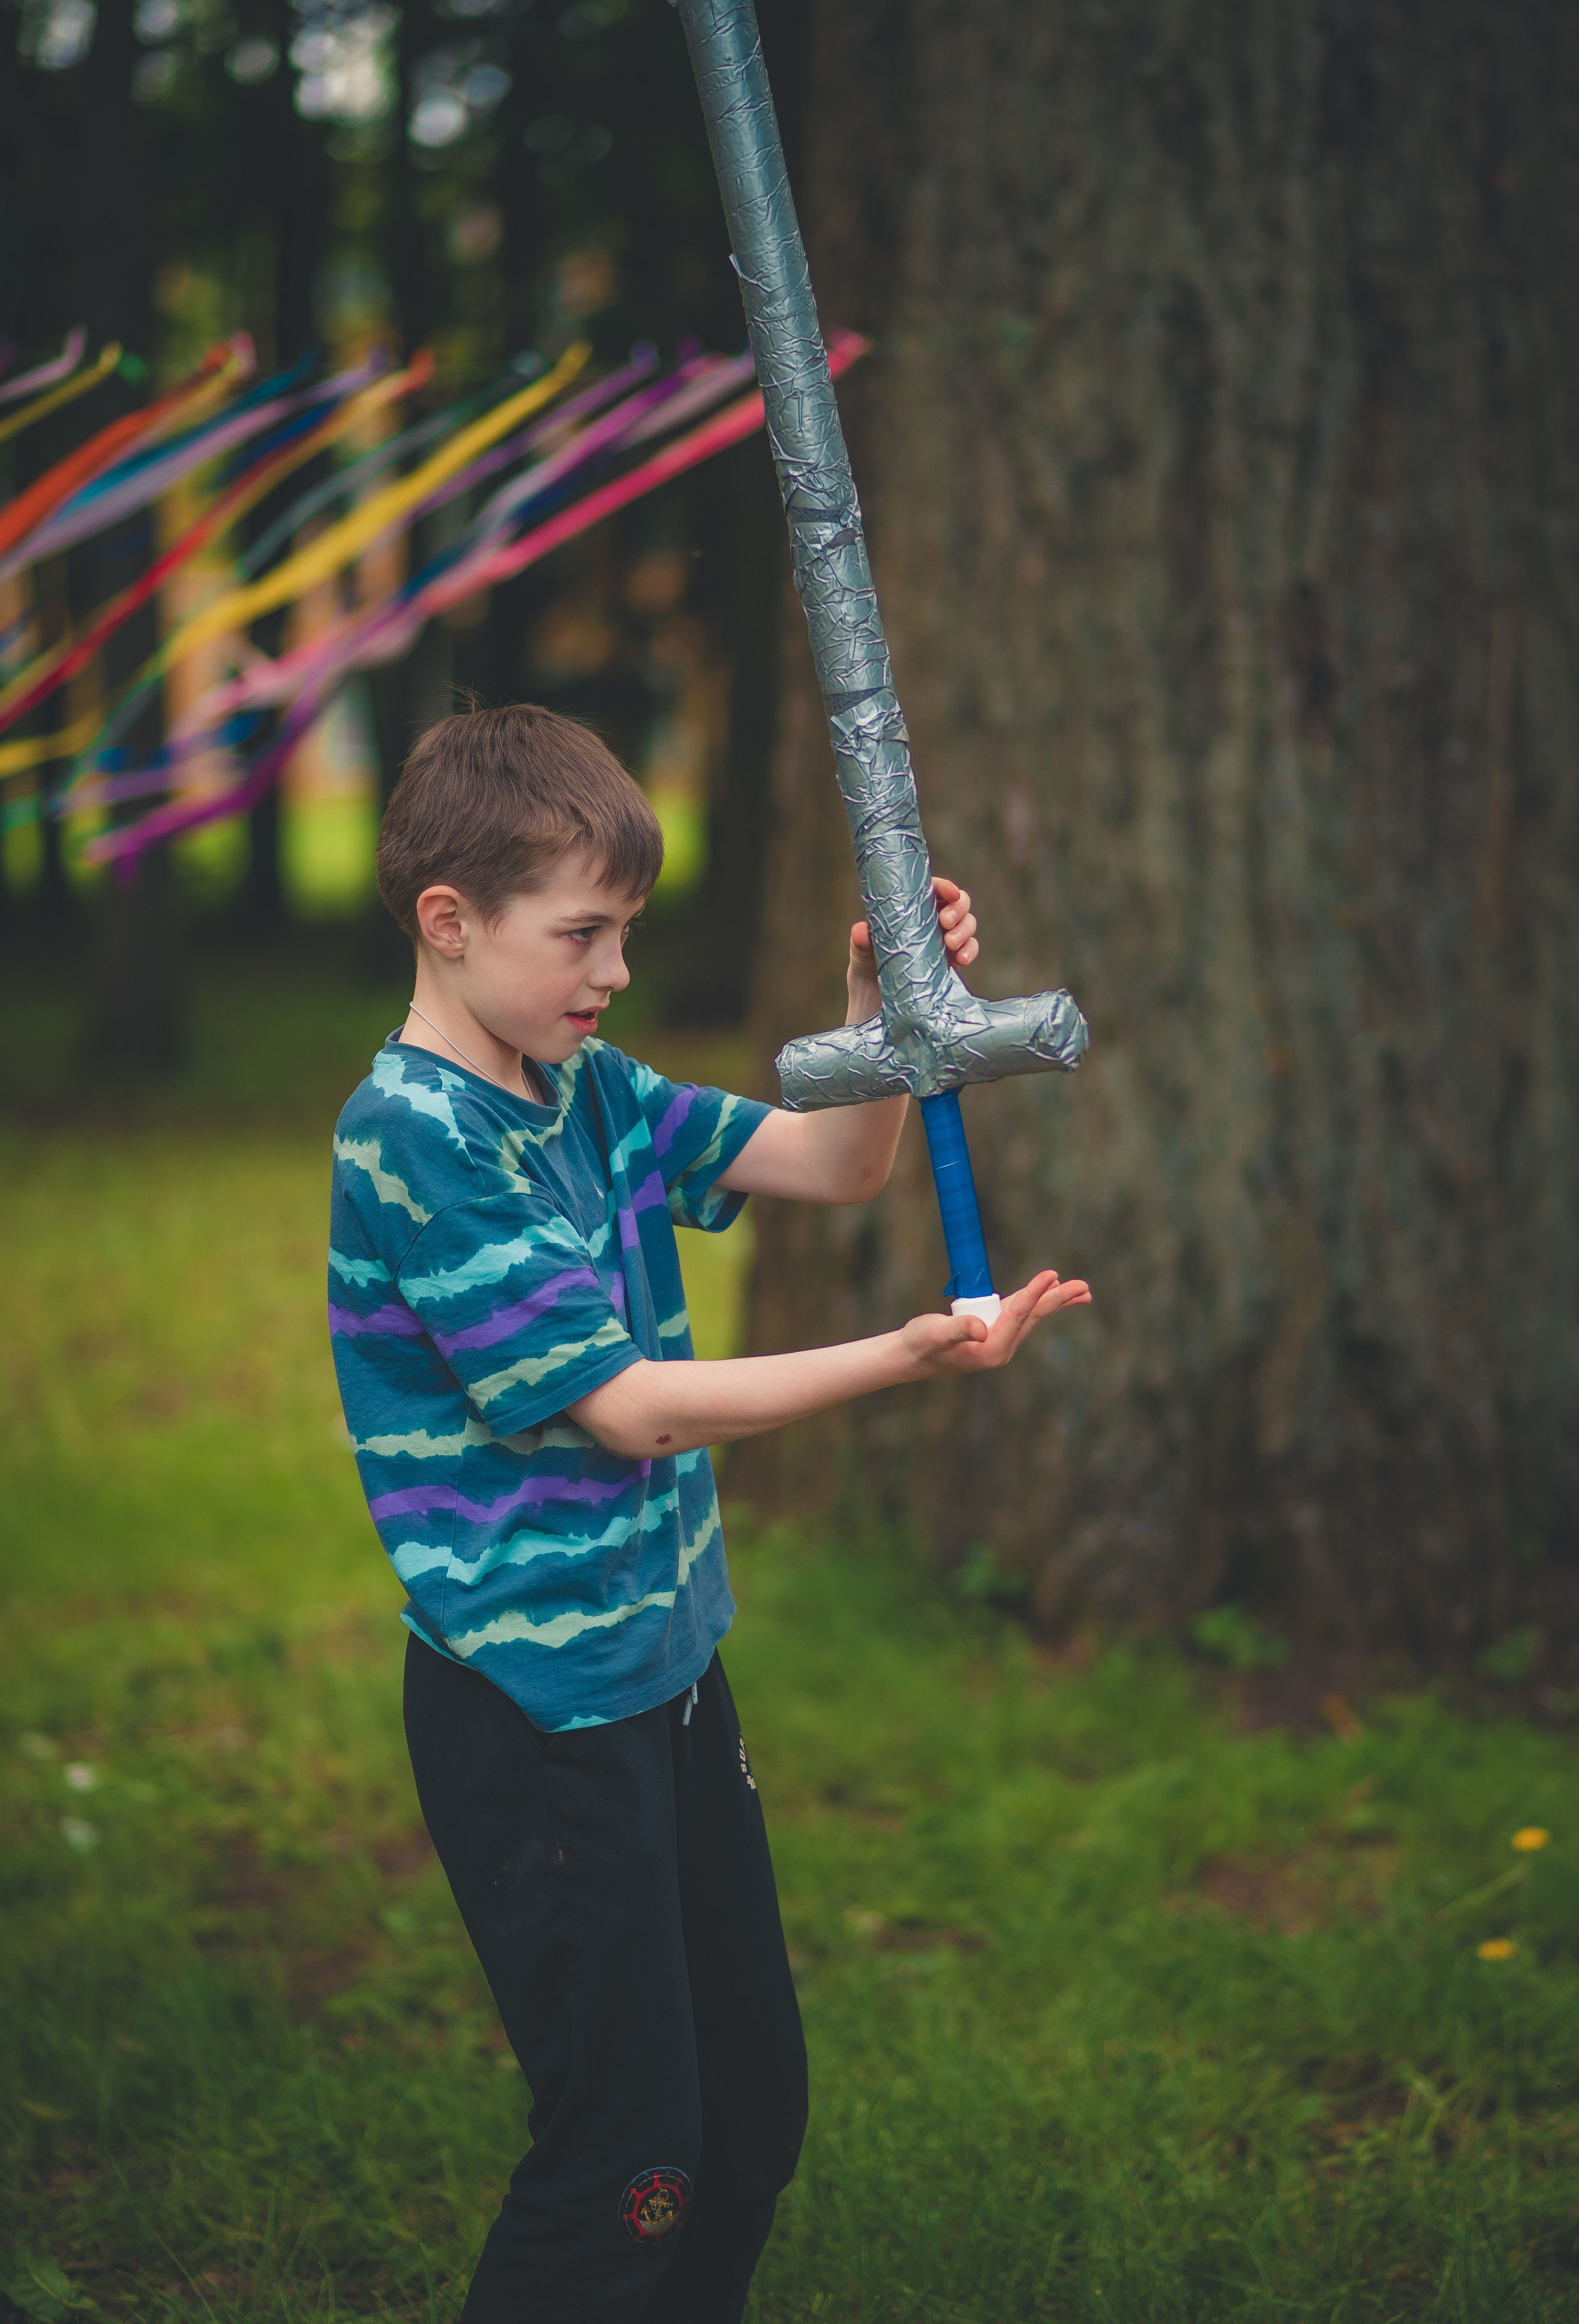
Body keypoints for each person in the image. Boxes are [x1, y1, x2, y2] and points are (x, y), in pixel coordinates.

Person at [328, 701, 1091, 2324]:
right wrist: (896, 1357)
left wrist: (878, 1014)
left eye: (626, 934)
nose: (610, 973)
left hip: (665, 1675)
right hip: (533, 1714)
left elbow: (832, 1166)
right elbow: (626, 1409)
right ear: (448, 925)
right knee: (628, 2156)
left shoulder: (584, 1090)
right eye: (581, 935)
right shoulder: (416, 1143)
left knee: (744, 2115)